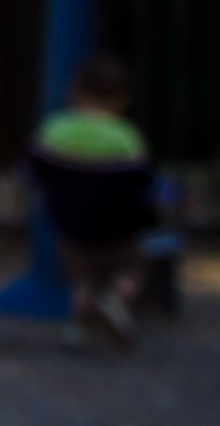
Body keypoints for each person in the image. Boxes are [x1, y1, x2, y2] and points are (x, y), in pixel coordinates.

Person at [28, 53, 157, 347]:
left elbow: (31, 172)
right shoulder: (125, 137)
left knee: (81, 279)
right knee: (133, 268)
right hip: (120, 228)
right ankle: (116, 298)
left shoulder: (55, 130)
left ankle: (76, 331)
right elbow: (144, 184)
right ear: (122, 98)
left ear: (74, 91)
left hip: (71, 224)